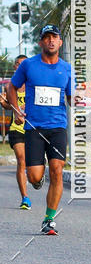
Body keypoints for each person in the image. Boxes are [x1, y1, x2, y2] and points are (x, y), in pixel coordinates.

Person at [6, 24, 73, 236]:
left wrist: (80, 100)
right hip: (34, 128)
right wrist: (16, 110)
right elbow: (11, 87)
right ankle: (37, 177)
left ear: (60, 42)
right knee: (34, 177)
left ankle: (49, 219)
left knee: (57, 170)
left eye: (55, 37)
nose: (51, 41)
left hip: (58, 127)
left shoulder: (67, 68)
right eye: (47, 38)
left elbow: (71, 97)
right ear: (41, 42)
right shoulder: (29, 65)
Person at [0, 55, 31, 209]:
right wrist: (3, 103)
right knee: (21, 160)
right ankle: (25, 198)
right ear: (14, 67)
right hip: (16, 128)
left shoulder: (33, 84)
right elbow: (9, 106)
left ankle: (36, 178)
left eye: (24, 64)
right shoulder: (10, 86)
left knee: (34, 167)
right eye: (18, 64)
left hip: (34, 129)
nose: (20, 66)